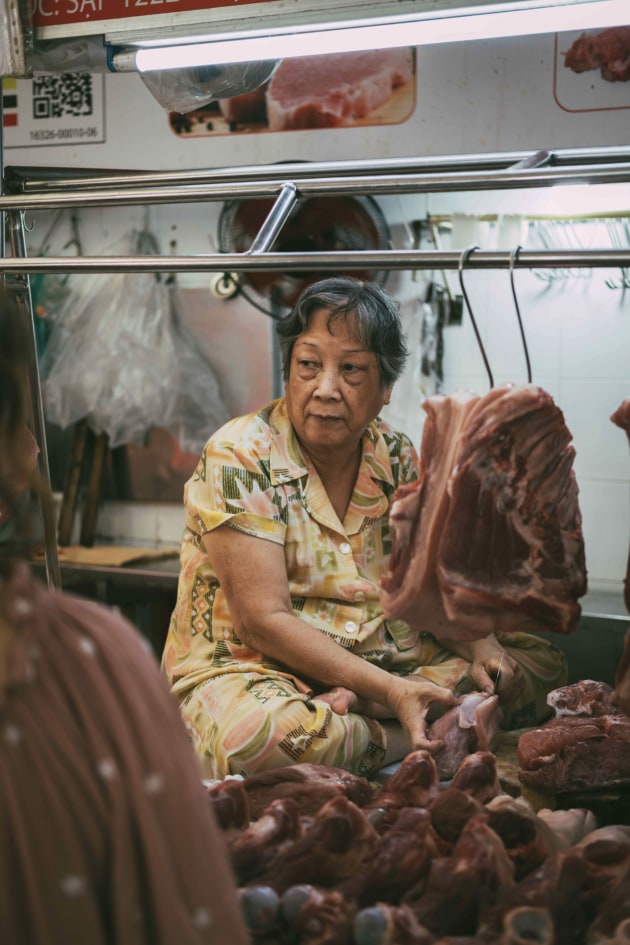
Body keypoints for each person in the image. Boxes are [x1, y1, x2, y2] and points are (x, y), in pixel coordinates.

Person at [162, 276, 568, 781]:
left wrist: (483, 648)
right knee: (259, 737)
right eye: (309, 364)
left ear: (385, 389)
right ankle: (419, 730)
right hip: (257, 672)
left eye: (351, 369)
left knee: (537, 664)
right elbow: (261, 620)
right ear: (289, 370)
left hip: (383, 657)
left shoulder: (394, 454)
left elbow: (427, 591)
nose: (326, 388)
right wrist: (392, 692)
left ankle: (380, 712)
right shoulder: (242, 454)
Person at [0, 286, 250, 945]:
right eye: (21, 425)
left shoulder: (392, 461)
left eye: (352, 369)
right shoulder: (85, 664)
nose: (33, 447)